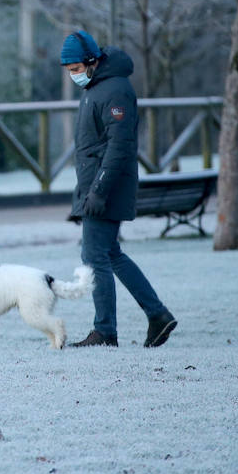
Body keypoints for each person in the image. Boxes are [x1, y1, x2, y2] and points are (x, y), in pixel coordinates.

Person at [60, 29, 177, 348]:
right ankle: (158, 315)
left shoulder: (114, 91)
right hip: (97, 187)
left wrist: (97, 191)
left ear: (92, 62)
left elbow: (119, 146)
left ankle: (105, 331)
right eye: (69, 71)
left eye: (75, 69)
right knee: (111, 254)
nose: (74, 76)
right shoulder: (98, 87)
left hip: (106, 188)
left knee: (94, 255)